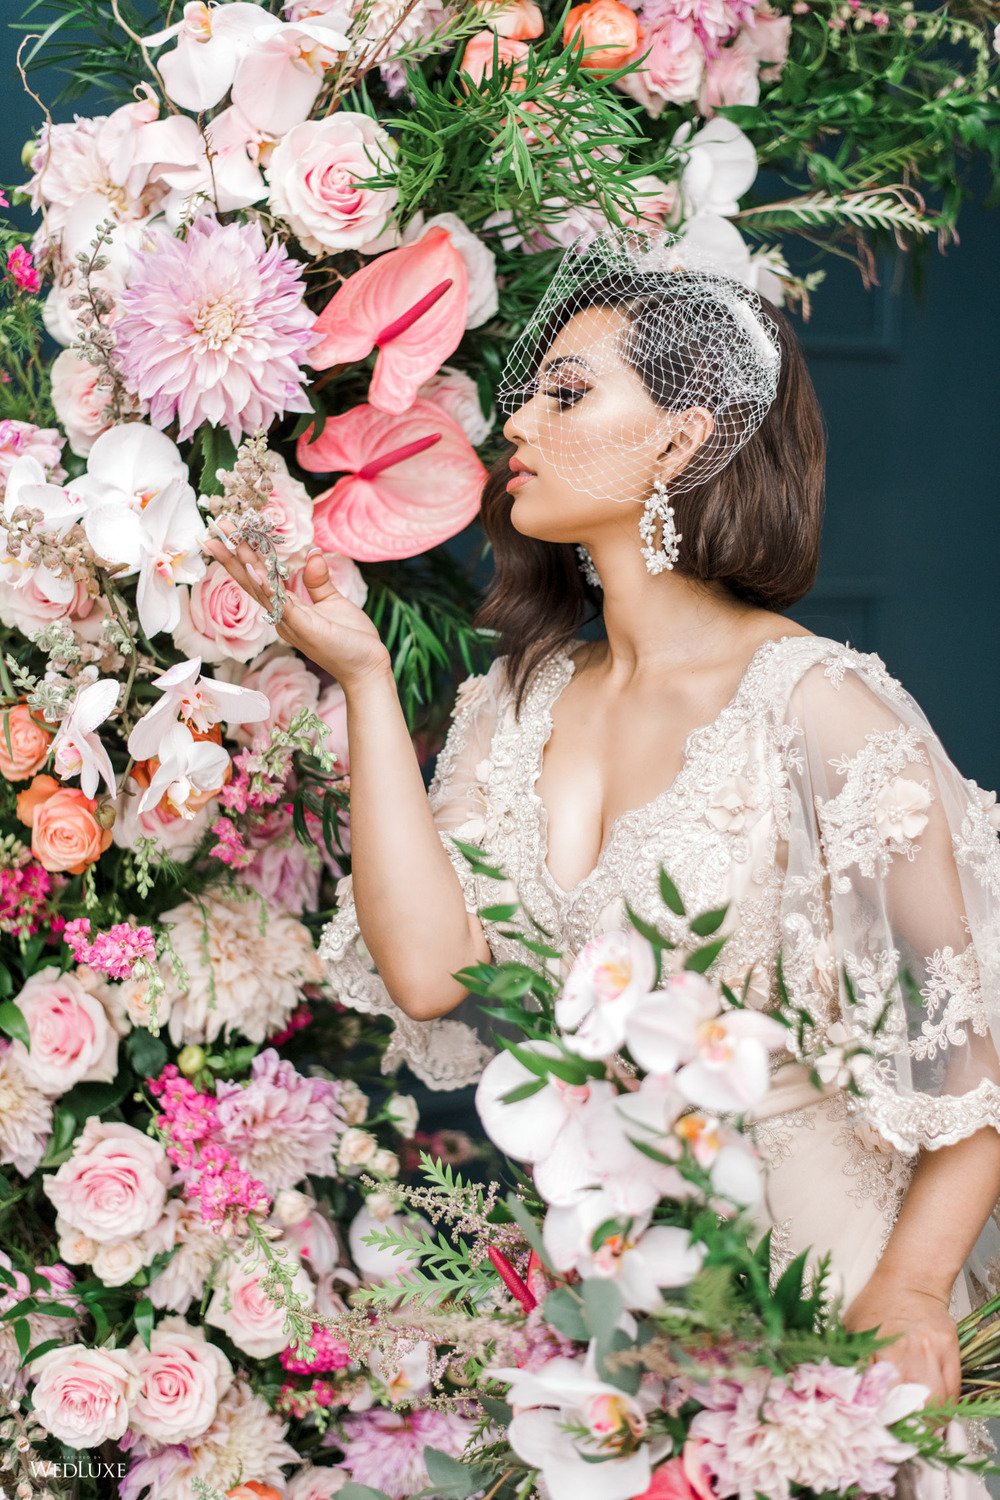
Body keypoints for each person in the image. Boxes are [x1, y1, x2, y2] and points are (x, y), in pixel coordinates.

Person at [203, 228, 1000, 1496]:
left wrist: (905, 1292)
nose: (520, 416)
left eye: (568, 392)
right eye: (531, 389)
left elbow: (966, 1074)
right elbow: (426, 973)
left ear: (684, 437)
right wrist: (356, 675)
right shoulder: (516, 699)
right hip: (611, 1304)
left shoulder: (824, 712)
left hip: (825, 1300)